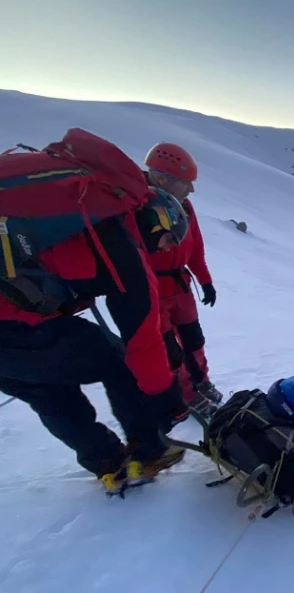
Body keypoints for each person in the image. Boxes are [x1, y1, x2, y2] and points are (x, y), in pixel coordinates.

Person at [0, 189, 192, 496]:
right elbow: (142, 336)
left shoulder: (83, 219)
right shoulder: (119, 247)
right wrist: (162, 394)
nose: (165, 248)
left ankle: (107, 461)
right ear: (153, 221)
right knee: (120, 362)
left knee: (47, 394)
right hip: (23, 330)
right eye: (169, 238)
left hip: (10, 340)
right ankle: (148, 452)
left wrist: (66, 300)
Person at [143, 143, 221, 416]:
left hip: (180, 287)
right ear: (162, 178)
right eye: (186, 183)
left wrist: (205, 281)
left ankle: (201, 381)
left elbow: (195, 247)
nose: (191, 190)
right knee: (169, 351)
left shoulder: (184, 207)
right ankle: (186, 396)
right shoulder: (135, 205)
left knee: (193, 340)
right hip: (150, 291)